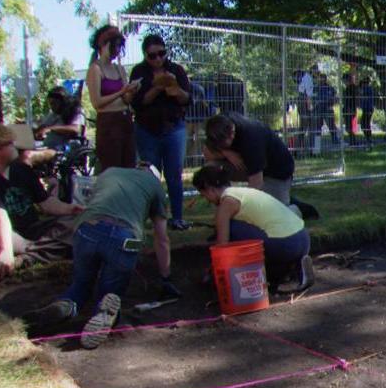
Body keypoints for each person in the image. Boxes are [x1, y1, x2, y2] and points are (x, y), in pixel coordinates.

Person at [24, 163, 179, 349]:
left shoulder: (110, 172)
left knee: (81, 283)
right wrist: (166, 277)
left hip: (86, 229)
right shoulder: (155, 186)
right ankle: (105, 314)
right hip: (124, 238)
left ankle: (67, 304)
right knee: (110, 292)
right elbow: (162, 239)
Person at [0, 125, 82, 279]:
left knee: (76, 223)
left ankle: (27, 257)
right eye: (10, 144)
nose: (15, 146)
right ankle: (46, 251)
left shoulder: (22, 169)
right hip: (6, 233)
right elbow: (0, 216)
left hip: (33, 229)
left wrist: (73, 210)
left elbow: (46, 203)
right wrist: (6, 249)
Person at [192, 163, 313, 293]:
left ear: (209, 189)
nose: (207, 200)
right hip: (303, 238)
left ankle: (248, 272)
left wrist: (214, 272)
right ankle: (289, 269)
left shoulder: (227, 202)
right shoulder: (244, 192)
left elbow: (222, 245)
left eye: (203, 195)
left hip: (285, 244)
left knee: (231, 228)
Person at [129, 34, 191, 231]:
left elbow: (187, 99)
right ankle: (155, 218)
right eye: (152, 55)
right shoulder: (139, 72)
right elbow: (137, 103)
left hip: (174, 128)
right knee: (151, 176)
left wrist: (175, 89)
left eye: (161, 53)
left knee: (174, 175)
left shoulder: (177, 70)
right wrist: (157, 87)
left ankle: (177, 217)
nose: (157, 59)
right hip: (147, 130)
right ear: (145, 56)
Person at [203, 112, 296, 205]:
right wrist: (226, 153)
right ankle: (223, 196)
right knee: (211, 165)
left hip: (277, 173)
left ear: (231, 134)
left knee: (273, 212)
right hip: (250, 167)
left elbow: (256, 183)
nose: (222, 146)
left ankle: (295, 207)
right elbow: (207, 149)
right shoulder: (220, 122)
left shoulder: (251, 140)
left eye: (223, 144)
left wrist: (241, 205)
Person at [86, 25, 139, 172]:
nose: (116, 50)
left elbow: (126, 99)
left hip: (125, 119)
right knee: (112, 169)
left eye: (119, 46)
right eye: (113, 46)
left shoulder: (119, 69)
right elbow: (97, 102)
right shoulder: (95, 69)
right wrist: (121, 91)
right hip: (108, 124)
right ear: (102, 45)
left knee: (129, 166)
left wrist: (132, 91)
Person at [313, 72, 340, 146]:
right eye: (320, 78)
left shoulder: (330, 88)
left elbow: (335, 98)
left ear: (325, 79)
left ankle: (335, 141)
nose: (321, 80)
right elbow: (313, 99)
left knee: (331, 125)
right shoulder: (316, 88)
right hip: (318, 109)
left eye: (323, 78)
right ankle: (317, 145)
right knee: (317, 128)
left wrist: (332, 101)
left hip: (328, 109)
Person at [342, 70, 359, 146]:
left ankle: (353, 141)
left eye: (344, 80)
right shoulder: (349, 88)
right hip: (348, 108)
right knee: (349, 126)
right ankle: (352, 141)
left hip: (350, 108)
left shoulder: (352, 88)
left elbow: (352, 99)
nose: (344, 82)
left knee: (350, 126)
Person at [359, 77, 375, 144]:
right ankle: (368, 138)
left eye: (364, 83)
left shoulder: (367, 89)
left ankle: (369, 138)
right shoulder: (366, 89)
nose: (363, 84)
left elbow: (364, 96)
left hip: (368, 109)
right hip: (366, 109)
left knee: (365, 124)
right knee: (364, 124)